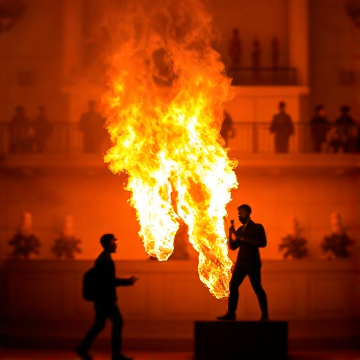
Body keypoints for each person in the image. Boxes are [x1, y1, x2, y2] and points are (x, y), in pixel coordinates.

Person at [76, 234, 138, 360]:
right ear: (108, 244)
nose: (116, 244)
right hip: (106, 300)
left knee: (99, 324)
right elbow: (109, 281)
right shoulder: (105, 261)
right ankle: (116, 354)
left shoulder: (103, 259)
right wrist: (127, 282)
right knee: (118, 322)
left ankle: (83, 348)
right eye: (113, 242)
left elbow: (107, 280)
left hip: (102, 299)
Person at [217, 204, 269, 321]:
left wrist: (242, 239)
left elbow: (262, 243)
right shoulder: (240, 229)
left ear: (249, 213)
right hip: (241, 263)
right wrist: (231, 234)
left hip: (252, 263)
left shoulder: (257, 227)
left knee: (257, 288)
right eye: (239, 213)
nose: (240, 215)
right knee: (233, 286)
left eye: (242, 213)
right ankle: (231, 313)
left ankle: (265, 314)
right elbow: (233, 247)